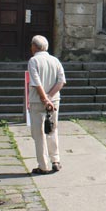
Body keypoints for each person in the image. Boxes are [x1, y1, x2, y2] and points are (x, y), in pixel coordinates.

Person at [27, 35, 66, 175]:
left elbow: (36, 82)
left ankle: (43, 165)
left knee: (39, 134)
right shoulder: (55, 60)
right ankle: (56, 160)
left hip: (38, 102)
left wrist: (44, 99)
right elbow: (61, 81)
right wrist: (50, 97)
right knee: (52, 130)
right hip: (54, 102)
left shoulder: (33, 61)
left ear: (34, 46)